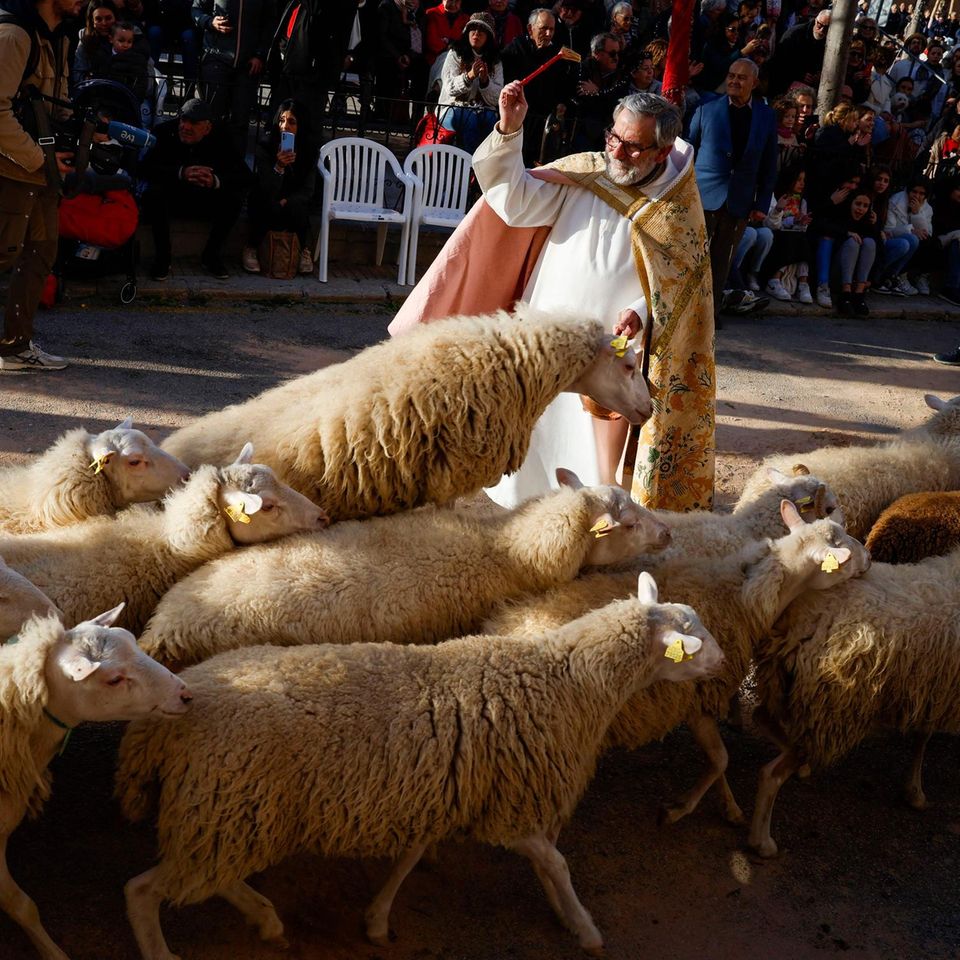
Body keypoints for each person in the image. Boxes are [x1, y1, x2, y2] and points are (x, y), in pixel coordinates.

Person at [389, 84, 715, 511]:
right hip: (546, 324)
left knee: (594, 445)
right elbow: (516, 202)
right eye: (613, 138)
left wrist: (639, 313)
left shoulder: (675, 208)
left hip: (612, 340)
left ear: (661, 149)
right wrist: (509, 130)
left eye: (632, 147)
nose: (616, 153)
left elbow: (678, 293)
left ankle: (598, 513)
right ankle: (524, 505)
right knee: (537, 427)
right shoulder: (586, 173)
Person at [0, 0, 83, 373]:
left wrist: (82, 132)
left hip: (41, 172)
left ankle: (14, 348)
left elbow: (55, 105)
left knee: (40, 255)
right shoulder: (13, 35)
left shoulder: (61, 37)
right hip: (12, 171)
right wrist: (39, 158)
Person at [688, 57, 777, 322]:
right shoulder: (706, 109)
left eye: (741, 77)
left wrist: (761, 204)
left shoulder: (766, 116)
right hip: (703, 197)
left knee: (721, 263)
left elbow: (770, 164)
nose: (734, 81)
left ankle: (708, 317)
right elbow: (688, 152)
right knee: (694, 259)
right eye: (731, 75)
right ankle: (685, 314)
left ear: (754, 82)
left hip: (739, 201)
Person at [140, 97, 252, 280]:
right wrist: (180, 173)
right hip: (173, 196)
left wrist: (215, 181)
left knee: (234, 199)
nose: (185, 127)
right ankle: (162, 258)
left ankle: (211, 256)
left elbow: (245, 176)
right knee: (154, 195)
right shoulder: (164, 132)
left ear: (207, 128)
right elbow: (144, 168)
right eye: (183, 120)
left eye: (193, 123)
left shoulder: (221, 137)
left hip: (204, 198)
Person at [242, 98, 316, 275]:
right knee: (264, 202)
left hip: (291, 202)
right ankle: (251, 247)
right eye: (282, 120)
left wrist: (287, 201)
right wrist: (279, 167)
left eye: (292, 122)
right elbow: (266, 186)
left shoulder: (309, 151)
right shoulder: (266, 147)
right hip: (268, 199)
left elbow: (308, 189)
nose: (285, 126)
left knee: (299, 206)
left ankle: (303, 249)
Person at [192, 0, 274, 154]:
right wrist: (210, 22)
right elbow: (196, 10)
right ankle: (208, 165)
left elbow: (269, 23)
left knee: (240, 121)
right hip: (216, 59)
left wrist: (260, 55)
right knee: (212, 119)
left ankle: (235, 170)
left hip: (248, 65)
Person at [437, 10, 502, 150]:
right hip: (452, 108)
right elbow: (449, 87)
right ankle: (468, 162)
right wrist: (469, 76)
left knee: (491, 119)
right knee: (469, 119)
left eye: (482, 30)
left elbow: (497, 97)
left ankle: (482, 164)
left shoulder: (495, 61)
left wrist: (485, 82)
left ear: (489, 37)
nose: (476, 33)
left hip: (482, 109)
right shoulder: (455, 53)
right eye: (473, 29)